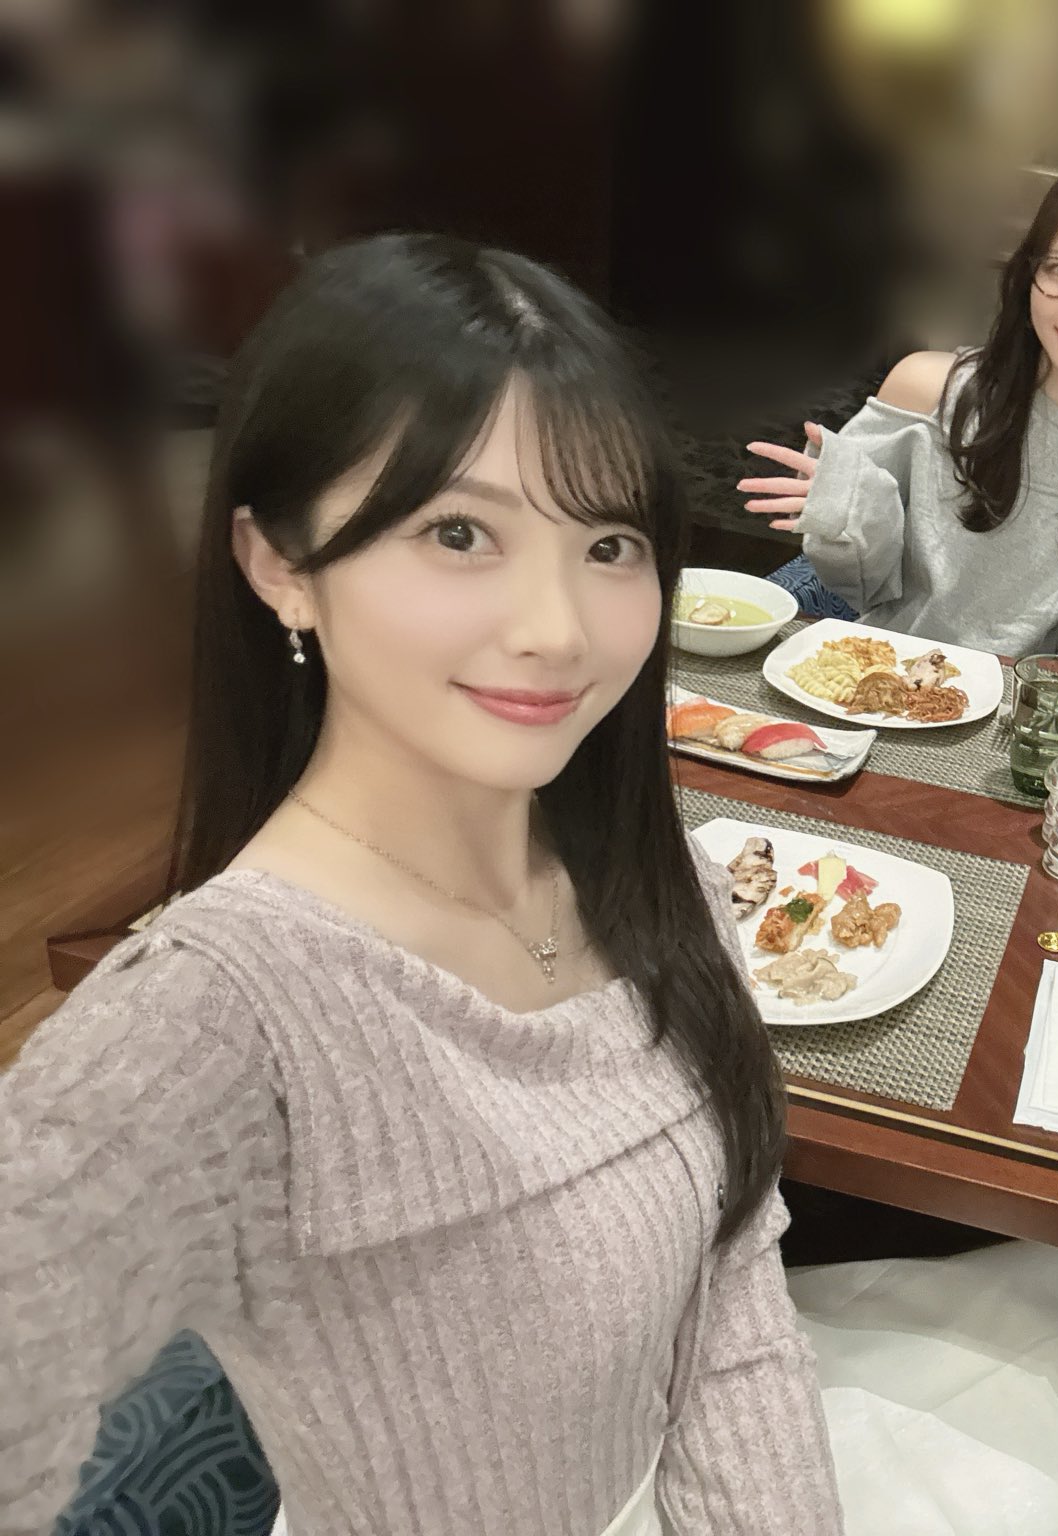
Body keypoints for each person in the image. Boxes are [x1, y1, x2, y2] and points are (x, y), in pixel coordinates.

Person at [0, 234, 839, 1535]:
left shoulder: (658, 878)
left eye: (609, 543)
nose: (558, 629)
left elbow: (733, 1280)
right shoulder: (216, 1024)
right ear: (281, 565)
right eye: (459, 532)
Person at [740, 151, 1058, 676]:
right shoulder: (927, 390)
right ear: (1028, 276)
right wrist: (848, 512)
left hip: (1022, 713)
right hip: (882, 678)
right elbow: (864, 587)